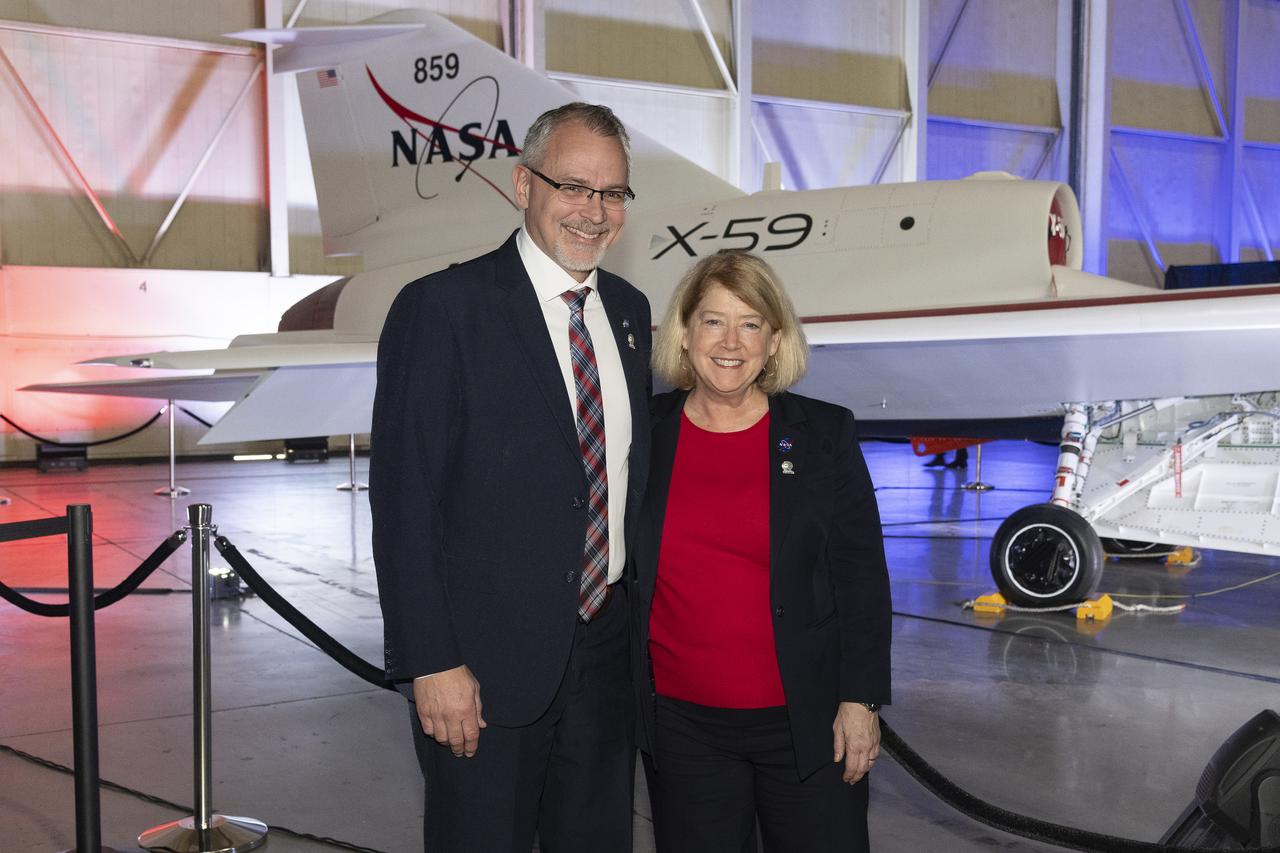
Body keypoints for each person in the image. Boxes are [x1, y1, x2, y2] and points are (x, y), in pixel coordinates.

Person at [370, 102, 652, 853]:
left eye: (613, 193)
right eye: (575, 186)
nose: (594, 212)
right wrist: (431, 661)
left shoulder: (628, 312)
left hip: (605, 661)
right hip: (483, 671)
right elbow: (405, 504)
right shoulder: (443, 309)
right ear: (523, 184)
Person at [629, 251, 892, 853]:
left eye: (750, 324)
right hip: (681, 727)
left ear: (775, 340)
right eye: (713, 321)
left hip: (809, 723)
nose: (731, 342)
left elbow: (861, 579)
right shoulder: (643, 435)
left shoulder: (825, 434)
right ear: (685, 331)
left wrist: (861, 700)